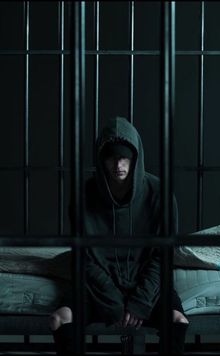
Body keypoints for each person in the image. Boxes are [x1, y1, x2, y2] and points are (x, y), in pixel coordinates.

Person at [49, 116, 189, 355]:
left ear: (136, 158)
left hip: (145, 282)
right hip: (97, 285)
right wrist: (112, 302)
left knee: (178, 320)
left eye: (125, 157)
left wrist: (140, 302)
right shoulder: (84, 195)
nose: (118, 164)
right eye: (111, 157)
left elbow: (162, 256)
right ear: (101, 159)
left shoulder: (159, 194)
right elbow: (85, 258)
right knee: (59, 318)